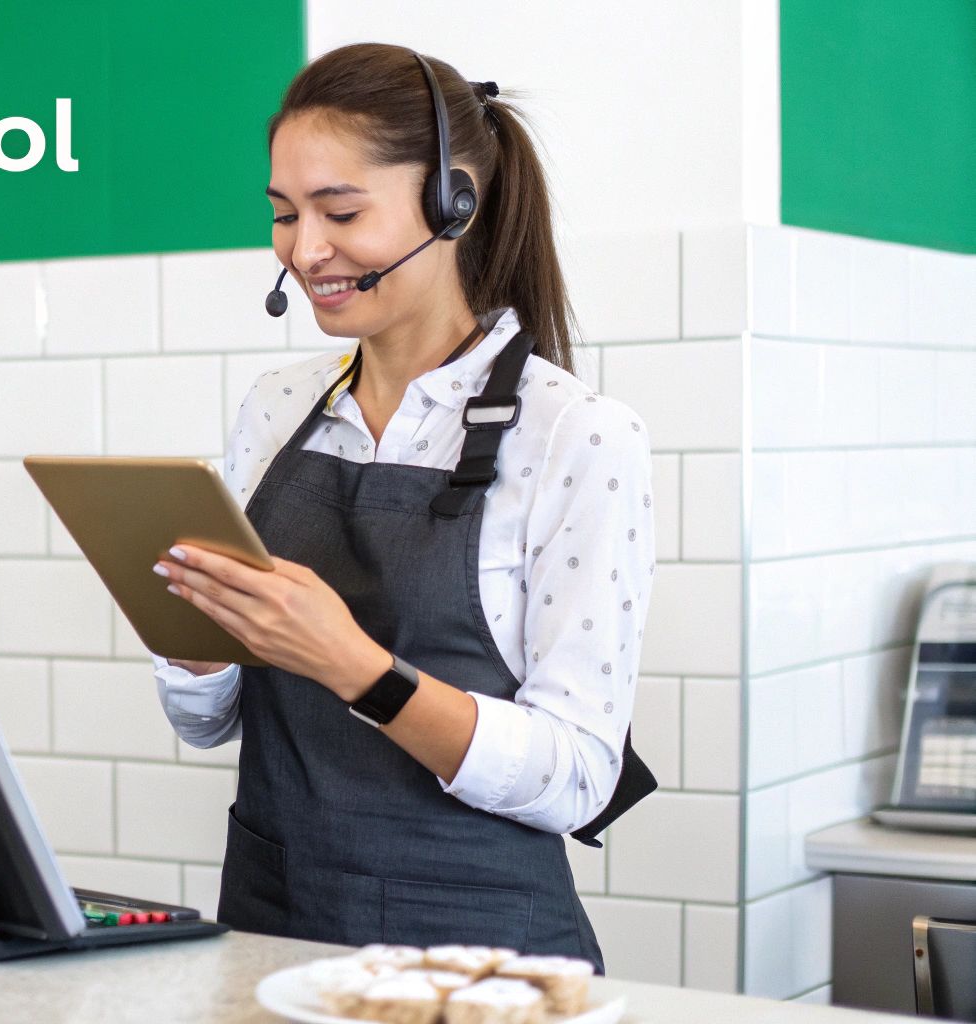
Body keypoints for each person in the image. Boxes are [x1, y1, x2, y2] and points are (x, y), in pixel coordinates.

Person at [148, 43, 658, 968]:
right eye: (284, 215)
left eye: (341, 211)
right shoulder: (276, 406)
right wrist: (192, 639)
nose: (306, 251)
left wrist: (358, 668)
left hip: (481, 959)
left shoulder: (576, 435)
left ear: (450, 202)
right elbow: (206, 725)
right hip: (273, 923)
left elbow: (581, 776)